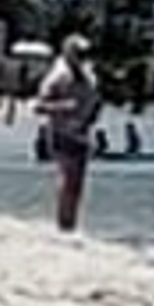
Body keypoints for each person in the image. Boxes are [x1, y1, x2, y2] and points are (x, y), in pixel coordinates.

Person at [30, 34, 104, 233]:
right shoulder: (58, 76)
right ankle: (64, 224)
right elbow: (38, 106)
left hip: (82, 133)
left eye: (85, 53)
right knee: (68, 179)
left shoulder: (90, 76)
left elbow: (95, 102)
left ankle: (71, 224)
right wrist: (64, 107)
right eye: (79, 53)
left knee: (77, 184)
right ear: (69, 53)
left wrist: (91, 117)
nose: (83, 57)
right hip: (61, 131)